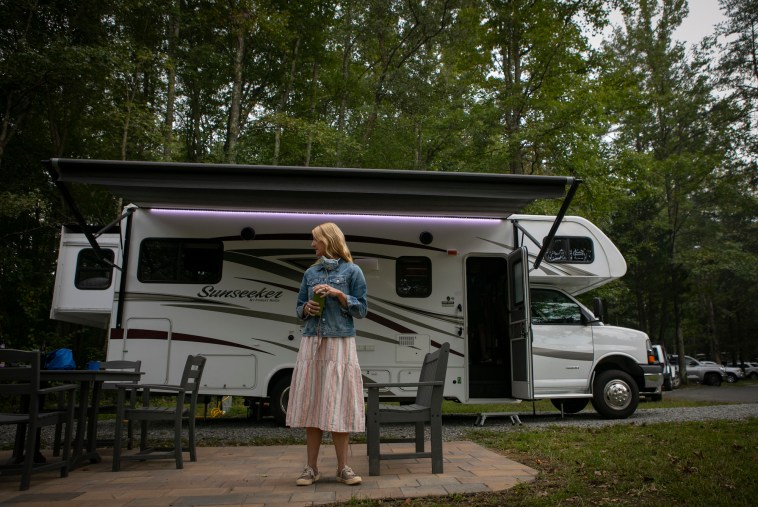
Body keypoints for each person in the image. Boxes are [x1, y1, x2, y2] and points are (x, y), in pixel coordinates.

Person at [286, 222, 368, 486]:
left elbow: (362, 310)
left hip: (340, 343)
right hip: (312, 341)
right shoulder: (310, 273)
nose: (312, 244)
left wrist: (339, 294)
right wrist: (307, 309)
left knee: (339, 404)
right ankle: (311, 468)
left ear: (329, 240)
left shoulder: (352, 271)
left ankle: (343, 468)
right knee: (313, 403)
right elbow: (299, 308)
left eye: (316, 239)